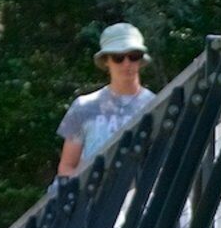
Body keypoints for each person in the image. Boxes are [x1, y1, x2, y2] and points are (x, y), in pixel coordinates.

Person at [57, 22, 156, 180]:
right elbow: (67, 167)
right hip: (94, 201)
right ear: (106, 61)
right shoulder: (83, 107)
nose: (126, 63)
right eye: (118, 57)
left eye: (133, 56)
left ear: (140, 60)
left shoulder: (156, 106)